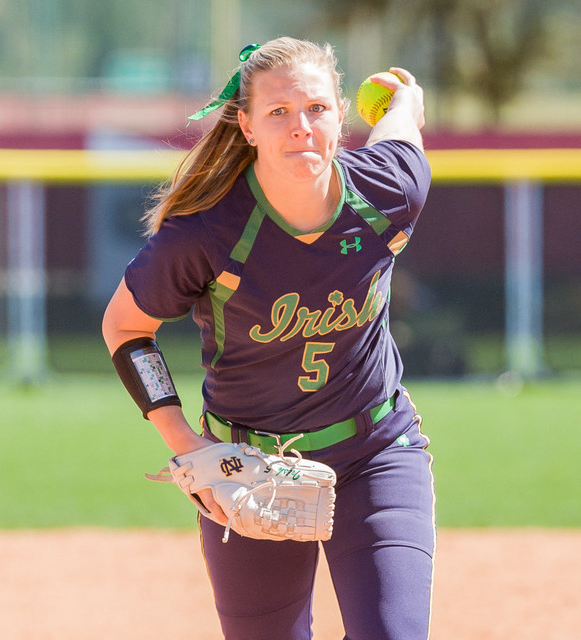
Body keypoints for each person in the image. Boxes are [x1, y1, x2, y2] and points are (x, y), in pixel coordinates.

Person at [102, 36, 433, 640]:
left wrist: (405, 101)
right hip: (246, 465)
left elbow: (403, 130)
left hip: (376, 452)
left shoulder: (389, 194)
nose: (301, 126)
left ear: (339, 115)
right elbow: (125, 327)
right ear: (247, 127)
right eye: (278, 112)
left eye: (317, 109)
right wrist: (188, 446)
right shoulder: (206, 233)